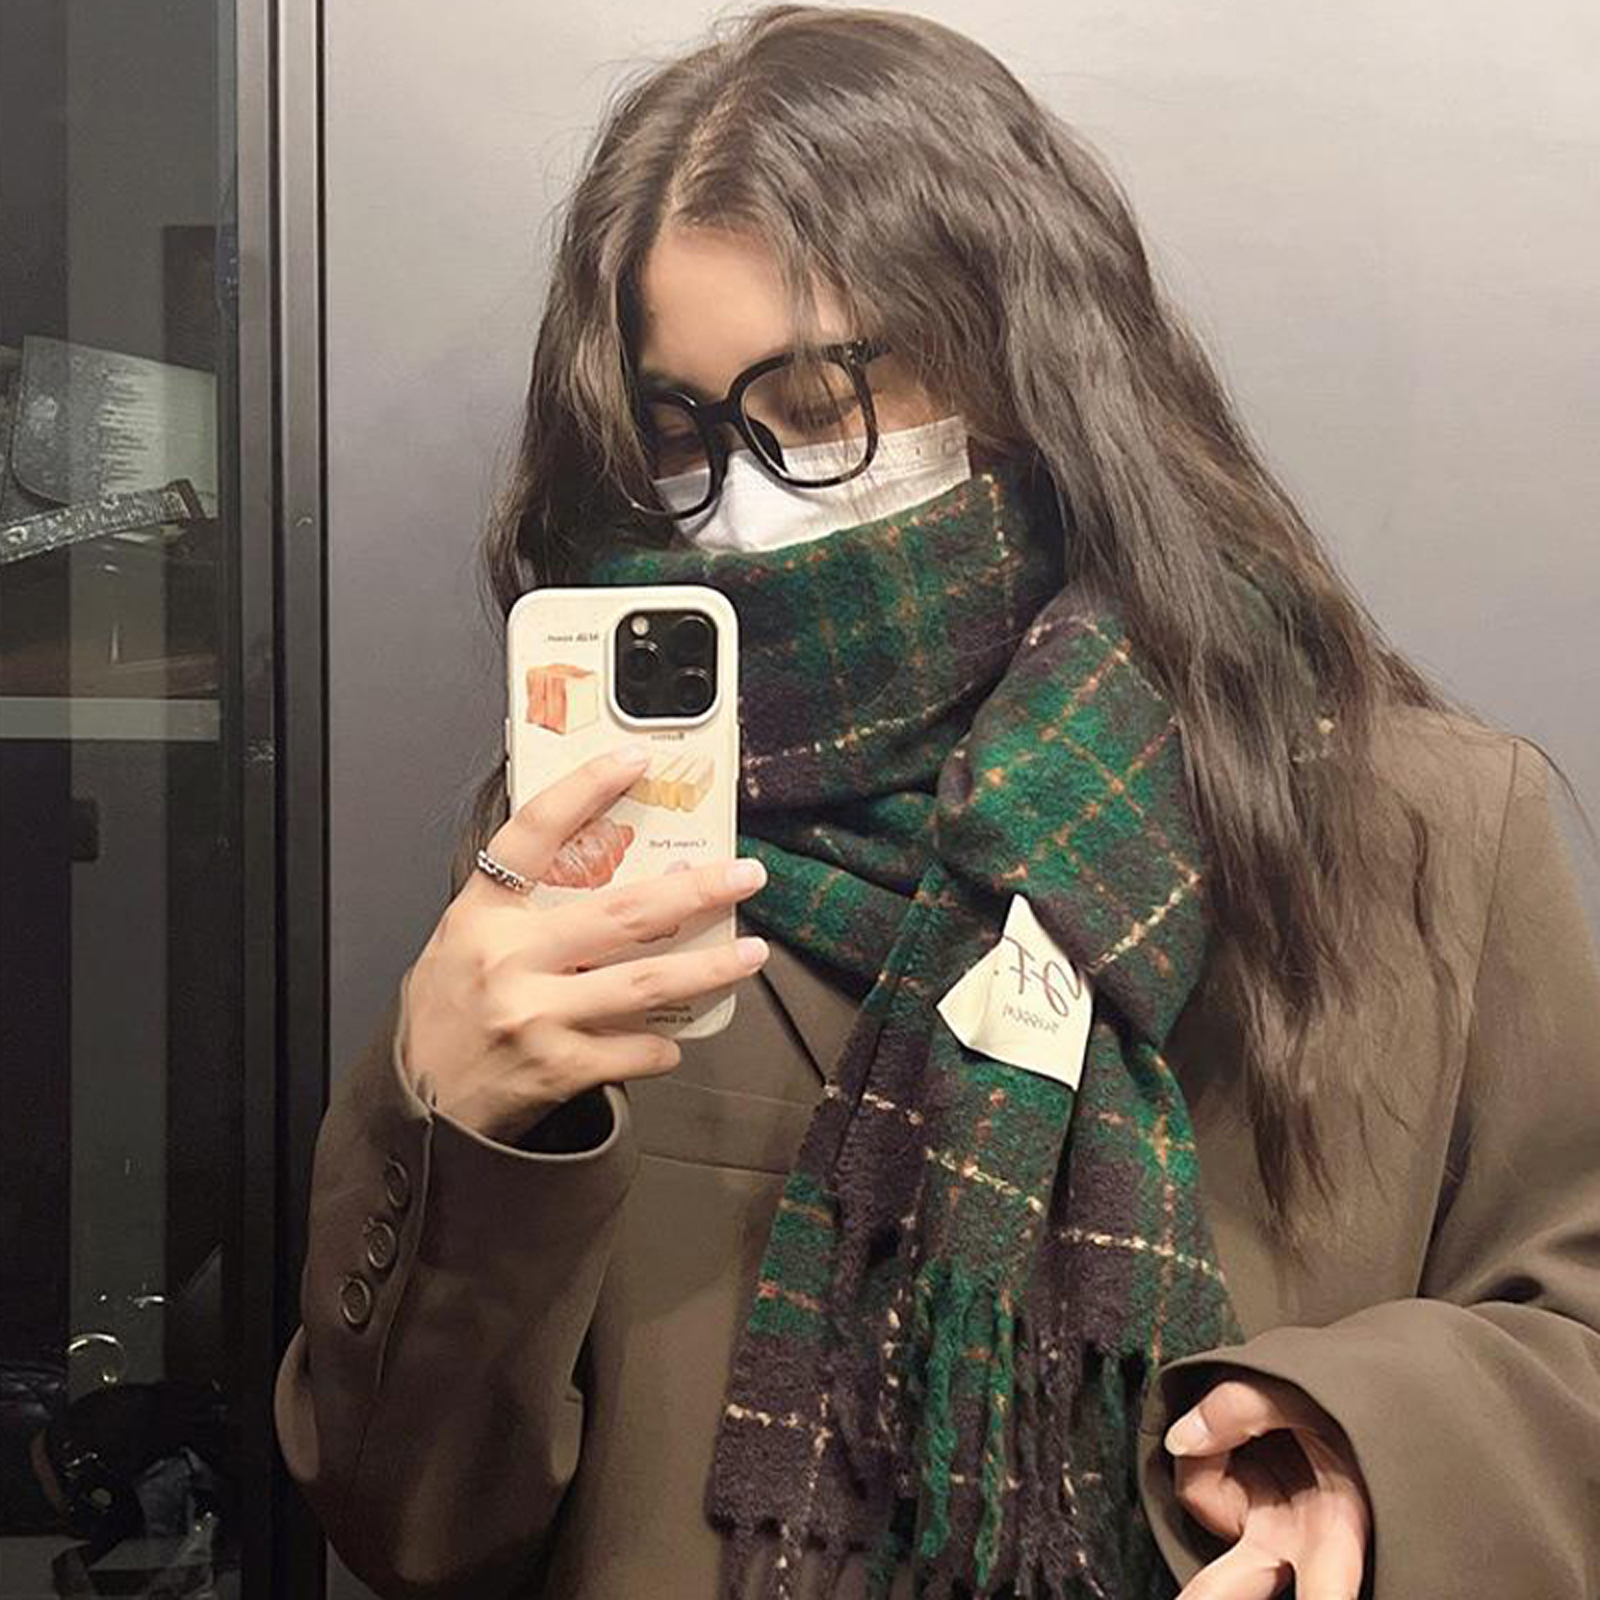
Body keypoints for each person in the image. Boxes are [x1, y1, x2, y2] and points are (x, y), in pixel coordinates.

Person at [272, 7, 1600, 1599]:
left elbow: (1575, 1339)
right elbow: (414, 1531)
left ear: (1025, 368)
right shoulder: (603, 840)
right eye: (684, 429)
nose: (741, 498)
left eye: (816, 402)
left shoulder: (1416, 833)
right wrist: (447, 1123)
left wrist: (1371, 1447)